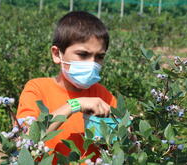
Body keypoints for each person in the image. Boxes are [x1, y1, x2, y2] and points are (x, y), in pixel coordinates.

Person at [16, 11, 117, 164]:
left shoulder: (104, 96)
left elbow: (118, 149)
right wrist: (75, 105)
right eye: (83, 54)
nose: (92, 63)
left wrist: (128, 136)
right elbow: (27, 139)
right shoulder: (37, 89)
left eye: (99, 57)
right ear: (57, 54)